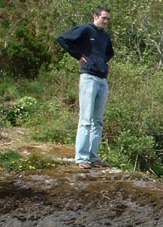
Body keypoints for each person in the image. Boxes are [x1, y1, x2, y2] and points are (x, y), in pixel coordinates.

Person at [56, 6, 114, 169]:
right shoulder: (86, 30)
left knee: (98, 121)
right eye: (104, 18)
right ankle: (81, 157)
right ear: (95, 16)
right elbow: (62, 38)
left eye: (108, 19)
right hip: (88, 78)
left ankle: (93, 157)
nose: (105, 21)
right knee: (86, 119)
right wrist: (79, 56)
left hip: (102, 79)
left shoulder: (105, 36)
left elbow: (109, 53)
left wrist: (99, 62)